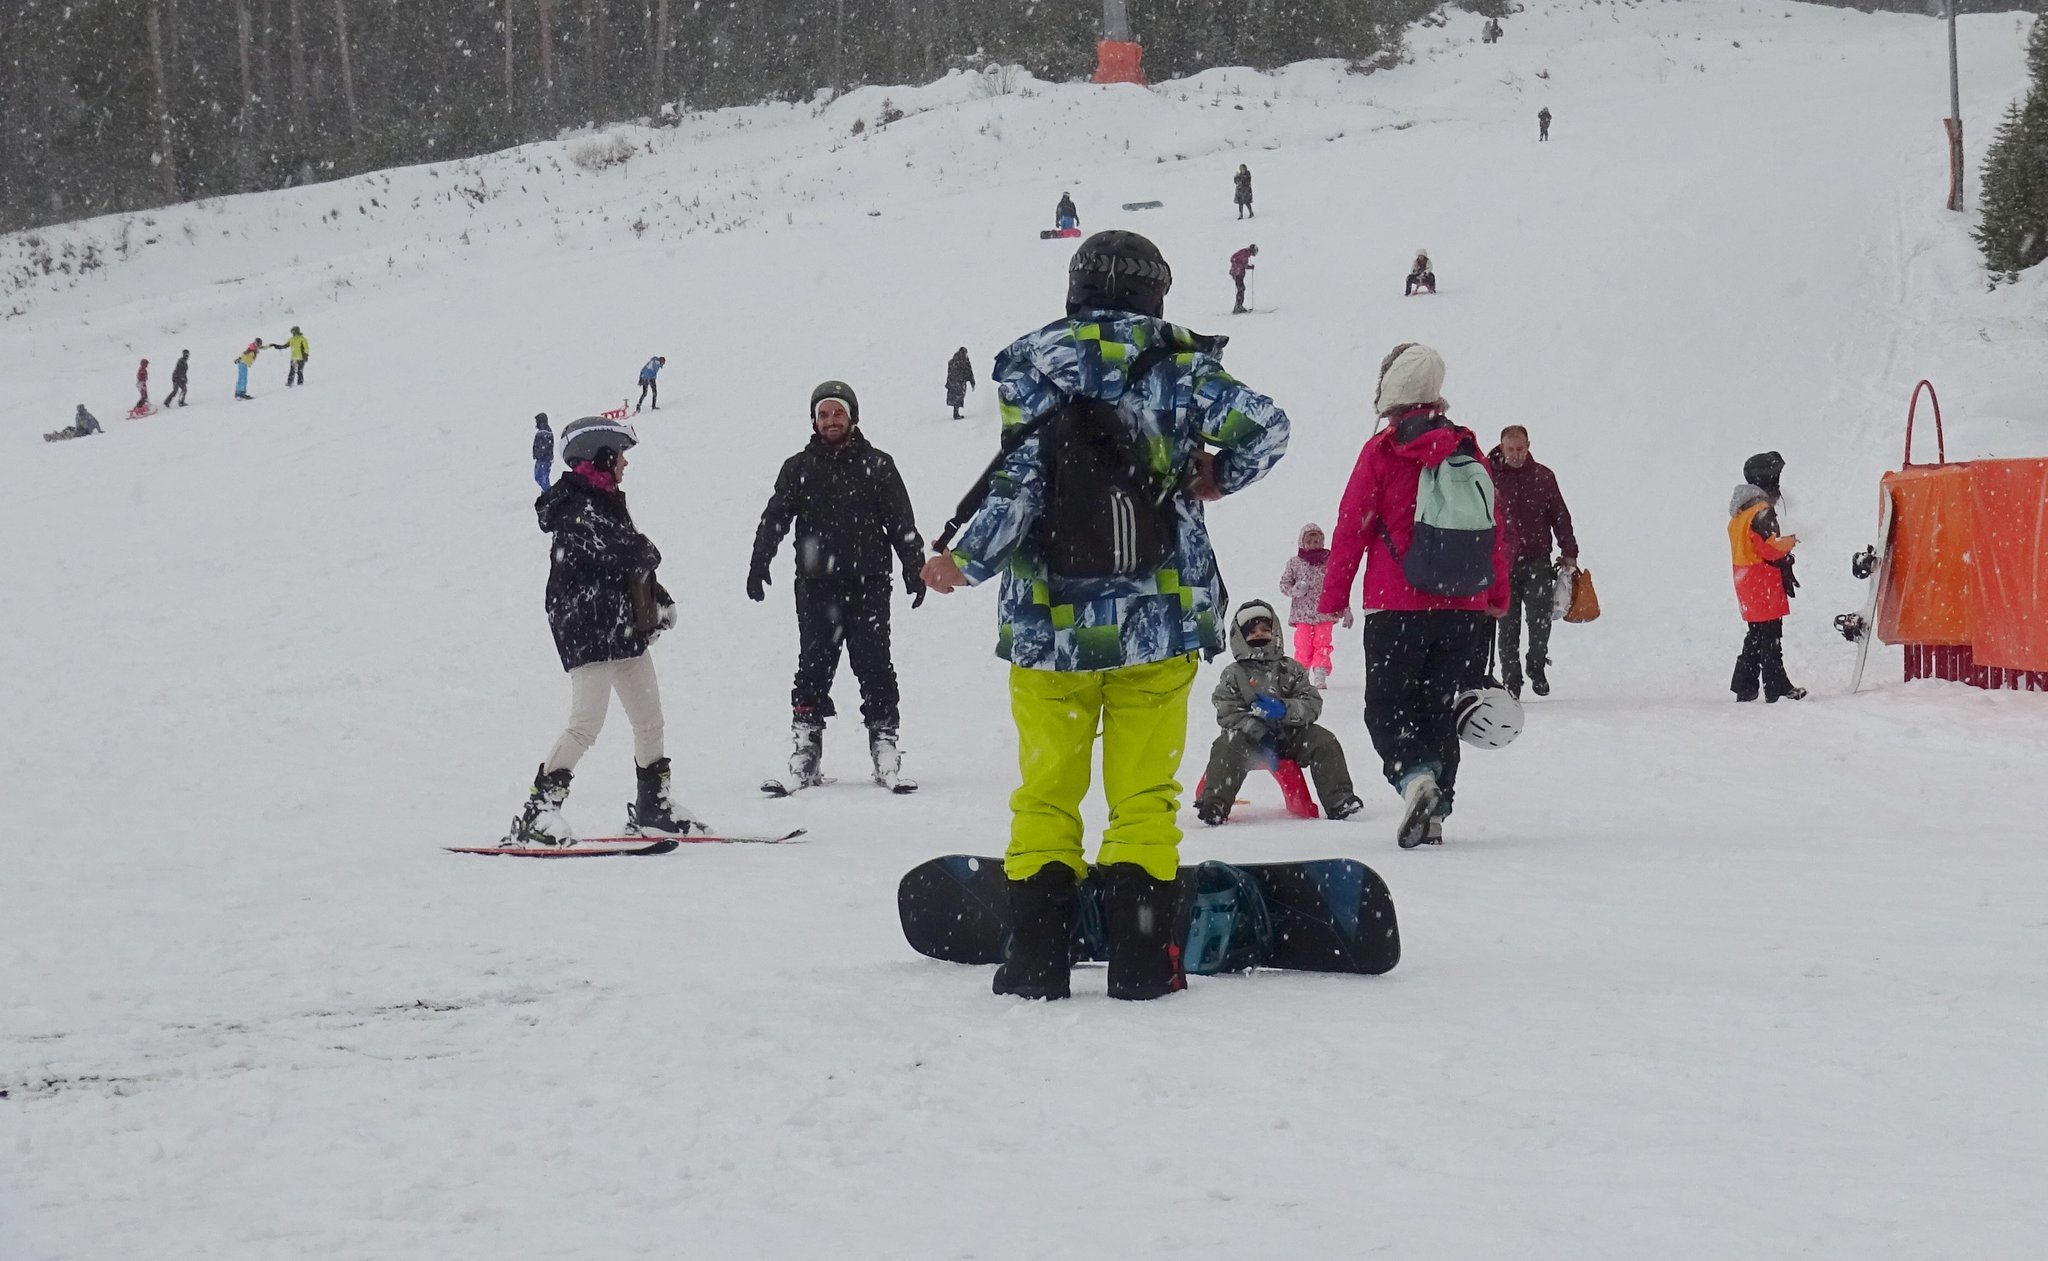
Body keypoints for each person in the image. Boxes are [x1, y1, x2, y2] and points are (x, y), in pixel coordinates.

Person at [919, 229, 1291, 1002]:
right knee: (1143, 795)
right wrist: (1218, 473)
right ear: (1156, 290)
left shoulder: (1035, 362)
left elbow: (1020, 481)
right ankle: (1143, 964)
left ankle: (1036, 964)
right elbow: (1270, 424)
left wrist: (964, 561)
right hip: (1157, 619)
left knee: (1046, 791)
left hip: (1049, 623)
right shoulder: (1182, 363)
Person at [1319, 342, 1508, 850]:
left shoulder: (1381, 452)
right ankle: (1437, 807)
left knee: (1387, 705)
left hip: (1396, 604)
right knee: (1439, 706)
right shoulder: (1467, 449)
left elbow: (1352, 526)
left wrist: (1334, 595)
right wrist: (1497, 592)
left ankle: (1414, 780)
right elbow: (1494, 529)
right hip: (1464, 607)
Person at [503, 416, 695, 845]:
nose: (625, 464)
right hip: (587, 629)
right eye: (621, 456)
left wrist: (657, 597)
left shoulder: (607, 500)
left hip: (623, 630)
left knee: (650, 721)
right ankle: (538, 813)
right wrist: (648, 551)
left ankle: (654, 809)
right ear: (601, 457)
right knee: (585, 725)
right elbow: (624, 550)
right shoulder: (575, 505)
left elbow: (627, 566)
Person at [749, 381, 927, 791]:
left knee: (874, 665)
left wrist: (913, 567)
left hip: (869, 585)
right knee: (813, 666)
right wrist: (760, 561)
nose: (831, 420)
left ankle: (885, 747)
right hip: (816, 588)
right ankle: (806, 751)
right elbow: (775, 517)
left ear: (853, 417)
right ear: (813, 420)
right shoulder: (798, 467)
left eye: (838, 413)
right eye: (824, 414)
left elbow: (901, 522)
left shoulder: (879, 465)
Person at [1194, 600, 1362, 826]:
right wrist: (1257, 731)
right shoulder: (1234, 674)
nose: (1259, 635)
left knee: (1324, 741)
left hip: (1290, 735)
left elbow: (1312, 702)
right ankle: (1214, 804)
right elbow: (1227, 711)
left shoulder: (1290, 668)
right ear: (1241, 638)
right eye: (1252, 632)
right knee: (1225, 747)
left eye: (1265, 630)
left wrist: (1285, 709)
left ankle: (1339, 799)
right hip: (1249, 739)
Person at [1489, 425, 1579, 698]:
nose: (1516, 455)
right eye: (1511, 450)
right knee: (1507, 624)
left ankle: (1536, 665)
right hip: (1503, 564)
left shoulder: (1542, 477)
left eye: (1520, 449)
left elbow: (1560, 516)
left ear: (1529, 446)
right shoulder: (1489, 477)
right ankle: (1511, 679)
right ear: (1502, 448)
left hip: (1537, 560)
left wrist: (1570, 551)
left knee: (1540, 620)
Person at [1728, 451, 1805, 703]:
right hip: (1764, 582)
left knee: (1756, 635)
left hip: (1745, 581)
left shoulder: (1740, 513)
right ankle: (1777, 687)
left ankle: (1745, 686)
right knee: (1771, 637)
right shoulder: (1762, 512)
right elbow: (1769, 548)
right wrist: (1790, 543)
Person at [1277, 523, 1351, 688]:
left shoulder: (1330, 561)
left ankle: (1320, 673)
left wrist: (1345, 609)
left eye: (1317, 540)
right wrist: (1295, 590)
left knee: (1323, 644)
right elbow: (1284, 585)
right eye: (1309, 541)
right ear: (1302, 543)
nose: (1313, 544)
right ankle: (1300, 675)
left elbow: (1339, 586)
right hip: (1302, 615)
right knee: (1302, 645)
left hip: (1325, 613)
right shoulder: (1294, 563)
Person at [945, 347, 975, 420]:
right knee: (958, 397)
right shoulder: (964, 362)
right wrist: (972, 381)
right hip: (959, 382)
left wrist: (948, 382)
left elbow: (950, 372)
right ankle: (956, 414)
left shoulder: (953, 361)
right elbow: (969, 372)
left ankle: (956, 412)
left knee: (955, 398)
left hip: (952, 382)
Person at [1229, 243, 1258, 314]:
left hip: (1239, 274)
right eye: (1255, 251)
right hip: (1237, 273)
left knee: (1241, 289)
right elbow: (1233, 258)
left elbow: (1243, 264)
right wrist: (1237, 267)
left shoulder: (1246, 254)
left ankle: (1238, 306)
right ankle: (1238, 307)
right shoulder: (1244, 252)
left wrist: (1250, 267)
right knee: (1241, 288)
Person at [532, 412, 555, 491]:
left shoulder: (544, 431)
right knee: (541, 478)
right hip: (543, 459)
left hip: (543, 459)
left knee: (541, 478)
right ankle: (547, 493)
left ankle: (549, 493)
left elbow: (543, 446)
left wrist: (539, 454)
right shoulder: (544, 430)